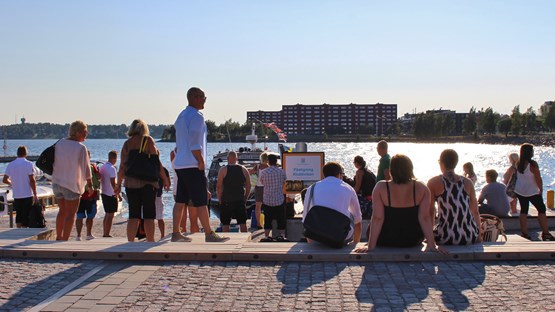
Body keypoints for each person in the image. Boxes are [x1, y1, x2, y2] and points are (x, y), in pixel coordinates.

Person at [355, 155, 444, 253]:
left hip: (385, 238)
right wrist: (432, 245)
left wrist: (370, 247)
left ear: (391, 169)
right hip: (413, 239)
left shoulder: (381, 187)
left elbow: (378, 218)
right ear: (410, 169)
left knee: (372, 223)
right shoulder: (422, 188)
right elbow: (424, 218)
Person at [173, 87, 228, 242]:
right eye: (203, 97)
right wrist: (201, 161)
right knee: (201, 200)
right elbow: (194, 142)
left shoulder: (181, 116)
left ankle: (176, 233)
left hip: (180, 163)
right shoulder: (197, 117)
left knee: (180, 200)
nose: (204, 100)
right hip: (192, 163)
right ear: (196, 97)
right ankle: (209, 233)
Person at [115, 119, 170, 242]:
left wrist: (118, 184)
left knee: (133, 215)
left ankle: (130, 242)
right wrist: (165, 179)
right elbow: (157, 162)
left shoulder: (127, 144)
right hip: (148, 183)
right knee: (149, 215)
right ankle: (150, 240)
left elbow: (122, 166)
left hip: (130, 183)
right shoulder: (148, 140)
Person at [427, 149, 481, 245]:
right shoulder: (468, 182)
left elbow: (431, 211)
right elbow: (475, 211)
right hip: (469, 236)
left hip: (445, 236)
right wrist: (478, 236)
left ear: (441, 162)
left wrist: (430, 237)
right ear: (456, 163)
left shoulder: (433, 182)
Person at [52, 121, 94, 241]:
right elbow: (86, 169)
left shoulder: (60, 143)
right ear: (78, 132)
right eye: (85, 131)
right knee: (71, 214)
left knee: (62, 211)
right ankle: (64, 239)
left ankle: (59, 237)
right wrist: (90, 186)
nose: (87, 134)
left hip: (57, 182)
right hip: (71, 185)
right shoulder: (81, 148)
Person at [303, 162, 362, 246]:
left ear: (324, 175)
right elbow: (358, 219)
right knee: (351, 216)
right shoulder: (348, 188)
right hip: (339, 237)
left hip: (317, 235)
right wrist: (356, 242)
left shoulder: (312, 187)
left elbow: (305, 216)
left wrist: (311, 243)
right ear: (339, 174)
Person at [510, 143, 555, 241]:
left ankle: (524, 233)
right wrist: (541, 189)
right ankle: (546, 233)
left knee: (523, 210)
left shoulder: (518, 163)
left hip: (520, 190)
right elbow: (538, 178)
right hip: (532, 191)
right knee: (541, 210)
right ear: (529, 152)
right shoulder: (532, 164)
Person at [3, 146, 38, 228]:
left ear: (17, 153)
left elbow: (4, 179)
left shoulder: (11, 164)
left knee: (19, 214)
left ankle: (18, 229)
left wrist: (12, 183)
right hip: (27, 194)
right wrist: (35, 194)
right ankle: (25, 231)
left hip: (17, 194)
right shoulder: (29, 164)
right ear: (26, 153)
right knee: (26, 215)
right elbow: (32, 180)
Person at [216, 151, 251, 232]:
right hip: (239, 199)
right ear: (237, 159)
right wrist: (245, 197)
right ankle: (244, 239)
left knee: (225, 223)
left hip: (226, 200)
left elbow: (218, 186)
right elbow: (248, 185)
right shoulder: (243, 169)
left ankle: (226, 239)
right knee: (242, 222)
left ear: (228, 159)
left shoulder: (223, 170)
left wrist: (219, 198)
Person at [258, 153, 287, 242]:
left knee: (268, 219)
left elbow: (262, 183)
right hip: (279, 199)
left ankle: (267, 236)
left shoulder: (263, 172)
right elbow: (284, 182)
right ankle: (281, 235)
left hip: (267, 199)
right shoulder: (281, 171)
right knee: (281, 219)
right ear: (276, 161)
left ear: (268, 162)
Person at [170, 148, 199, 234]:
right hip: (191, 188)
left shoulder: (173, 153)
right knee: (193, 219)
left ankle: (181, 238)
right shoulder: (192, 151)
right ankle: (194, 240)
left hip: (178, 187)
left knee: (182, 220)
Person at [75, 151, 100, 241]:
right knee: (88, 216)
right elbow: (99, 177)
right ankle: (86, 234)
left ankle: (80, 235)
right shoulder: (92, 167)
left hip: (81, 195)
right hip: (88, 195)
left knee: (81, 216)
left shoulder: (78, 167)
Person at [100, 150, 119, 238]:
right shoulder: (112, 168)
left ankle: (105, 232)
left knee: (107, 213)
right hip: (110, 193)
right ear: (114, 158)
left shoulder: (103, 166)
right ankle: (106, 233)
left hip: (104, 192)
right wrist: (117, 192)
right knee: (110, 215)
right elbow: (113, 182)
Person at [251, 152, 269, 229]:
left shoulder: (257, 167)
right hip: (267, 188)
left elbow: (250, 172)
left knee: (258, 206)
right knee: (268, 206)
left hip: (258, 188)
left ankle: (259, 223)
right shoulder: (269, 167)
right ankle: (267, 222)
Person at [155, 167, 171, 240]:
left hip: (147, 194)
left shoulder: (146, 166)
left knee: (147, 218)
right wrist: (166, 185)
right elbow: (168, 183)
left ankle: (147, 235)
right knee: (160, 217)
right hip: (158, 194)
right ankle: (162, 235)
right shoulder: (163, 169)